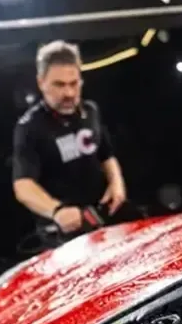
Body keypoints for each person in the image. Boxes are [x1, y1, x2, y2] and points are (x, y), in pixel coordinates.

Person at [12, 41, 127, 241]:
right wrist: (56, 211)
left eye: (74, 83)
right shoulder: (29, 126)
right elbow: (22, 186)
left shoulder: (90, 110)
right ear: (41, 83)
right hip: (63, 232)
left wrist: (117, 184)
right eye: (59, 85)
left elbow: (107, 155)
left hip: (102, 217)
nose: (69, 93)